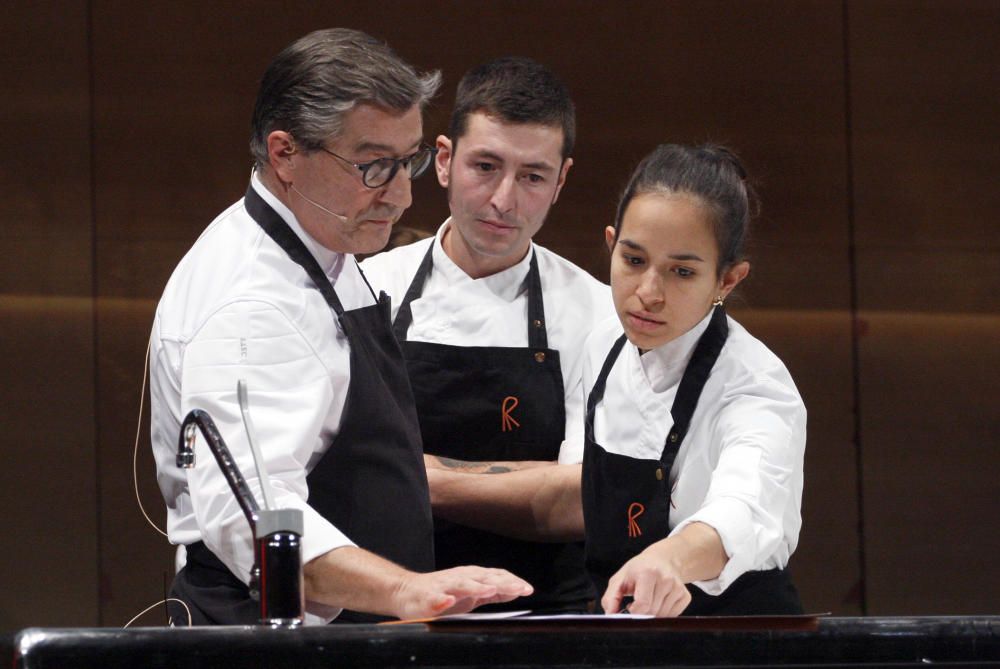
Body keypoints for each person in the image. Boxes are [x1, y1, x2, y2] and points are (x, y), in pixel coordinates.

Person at [149, 28, 531, 626]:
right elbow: (257, 519)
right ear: (284, 154)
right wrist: (406, 590)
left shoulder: (324, 244)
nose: (403, 195)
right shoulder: (252, 303)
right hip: (270, 641)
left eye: (409, 162)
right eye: (374, 166)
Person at [360, 57, 613, 612]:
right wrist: (528, 482)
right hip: (389, 611)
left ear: (561, 181)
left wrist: (404, 475)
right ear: (445, 161)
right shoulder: (365, 293)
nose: (504, 200)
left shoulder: (597, 313)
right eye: (486, 167)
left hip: (546, 617)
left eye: (532, 176)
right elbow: (330, 478)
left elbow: (583, 496)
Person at [581, 144, 806, 616]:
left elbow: (743, 509)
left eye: (682, 271)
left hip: (735, 638)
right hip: (621, 627)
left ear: (728, 280)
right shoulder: (602, 343)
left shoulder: (756, 386)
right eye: (634, 260)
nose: (648, 294)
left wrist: (668, 558)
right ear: (610, 243)